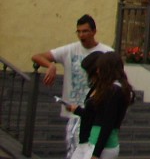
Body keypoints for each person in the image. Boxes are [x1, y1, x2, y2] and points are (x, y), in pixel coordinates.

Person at [32, 14, 113, 159]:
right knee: (74, 151)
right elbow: (37, 56)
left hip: (95, 113)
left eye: (85, 31)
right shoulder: (70, 50)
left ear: (94, 31)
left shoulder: (107, 52)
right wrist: (50, 65)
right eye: (79, 31)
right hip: (75, 113)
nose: (81, 35)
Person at [69, 52, 134, 159]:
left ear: (108, 69)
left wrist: (96, 154)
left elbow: (108, 123)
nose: (98, 71)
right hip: (95, 143)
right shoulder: (115, 88)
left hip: (102, 146)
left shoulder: (114, 90)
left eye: (100, 68)